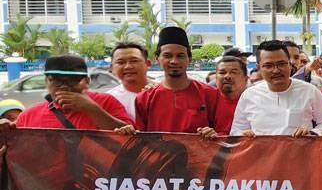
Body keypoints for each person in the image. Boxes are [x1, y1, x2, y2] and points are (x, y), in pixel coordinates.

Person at [230, 40, 322, 137]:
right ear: (259, 68)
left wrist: (313, 133)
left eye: (281, 64)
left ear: (290, 65)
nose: (276, 70)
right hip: (261, 157)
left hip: (301, 157)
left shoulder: (309, 91)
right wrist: (242, 135)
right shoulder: (249, 95)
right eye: (269, 66)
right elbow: (236, 130)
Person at [3, 55, 132, 131]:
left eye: (72, 81)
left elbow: (132, 138)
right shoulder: (29, 115)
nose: (64, 87)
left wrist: (92, 109)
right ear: (46, 82)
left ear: (87, 81)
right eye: (56, 81)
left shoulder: (106, 102)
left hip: (98, 176)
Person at [134, 27, 219, 137]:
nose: (174, 61)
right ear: (157, 58)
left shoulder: (210, 94)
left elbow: (223, 134)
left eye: (180, 56)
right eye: (167, 56)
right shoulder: (144, 98)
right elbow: (139, 139)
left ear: (189, 59)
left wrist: (214, 134)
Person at [107, 42, 153, 120]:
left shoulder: (164, 92)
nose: (128, 66)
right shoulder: (108, 99)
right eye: (121, 62)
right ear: (112, 68)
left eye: (134, 61)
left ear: (147, 64)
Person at [215, 55, 250, 135]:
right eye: (222, 72)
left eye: (234, 72)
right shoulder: (208, 99)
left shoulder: (255, 100)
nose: (227, 76)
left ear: (246, 79)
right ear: (216, 78)